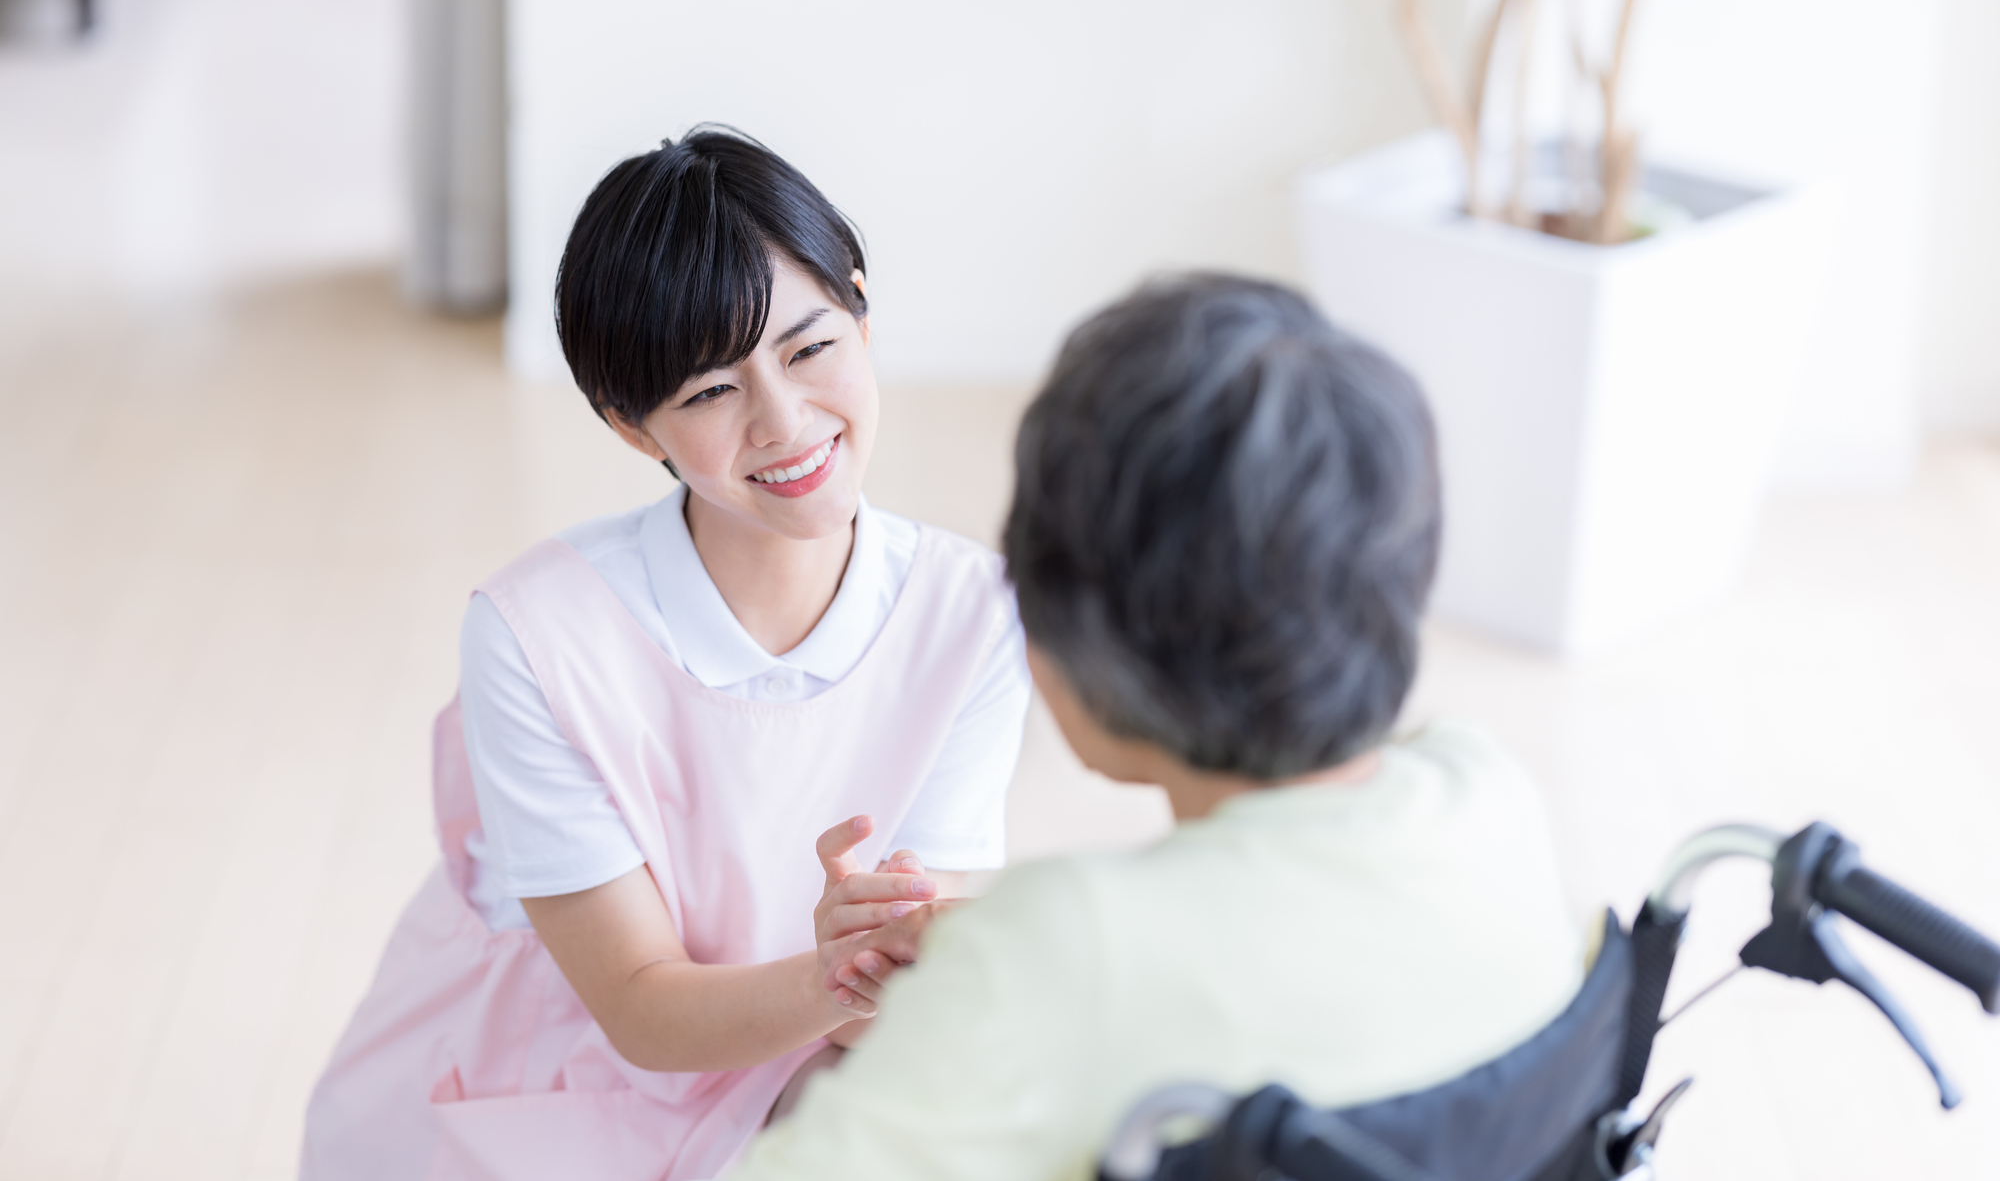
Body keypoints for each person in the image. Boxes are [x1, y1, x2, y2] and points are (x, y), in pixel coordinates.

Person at [728, 274, 1585, 1181]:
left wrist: (994, 968)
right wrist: (977, 945)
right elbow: (1277, 930)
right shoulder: (1483, 788)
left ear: (1070, 637)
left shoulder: (1061, 952)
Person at [300, 127, 1030, 1181]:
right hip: (548, 1086)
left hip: (796, 1065)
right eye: (707, 392)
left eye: (809, 346)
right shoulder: (537, 632)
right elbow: (638, 1006)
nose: (784, 422)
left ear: (860, 309)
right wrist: (839, 971)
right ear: (631, 428)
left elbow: (900, 1008)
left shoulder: (969, 614)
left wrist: (877, 969)